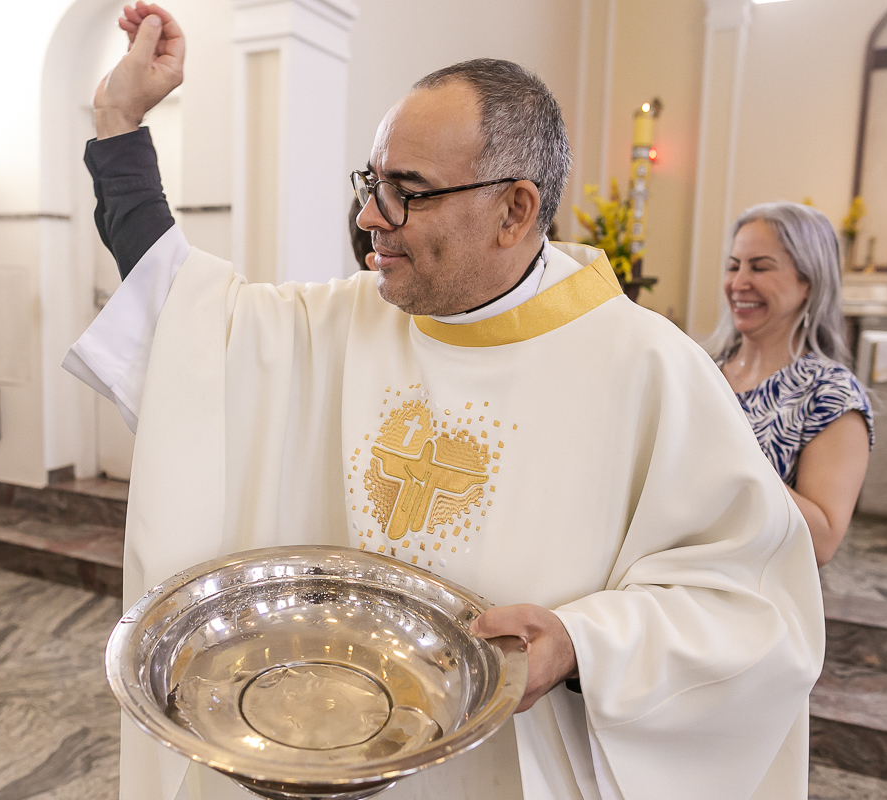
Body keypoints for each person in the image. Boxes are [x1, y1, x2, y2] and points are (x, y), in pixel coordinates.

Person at [65, 4, 824, 799]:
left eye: (408, 192)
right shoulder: (341, 322)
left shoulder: (649, 367)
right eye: (372, 183)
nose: (369, 220)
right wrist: (118, 124)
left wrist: (579, 642)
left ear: (515, 210)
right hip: (325, 740)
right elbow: (186, 315)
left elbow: (752, 611)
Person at [708, 203, 873, 567]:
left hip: (758, 595)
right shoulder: (705, 371)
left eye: (761, 267)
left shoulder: (831, 395)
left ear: (808, 282)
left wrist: (728, 450)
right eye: (734, 266)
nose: (738, 283)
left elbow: (822, 542)